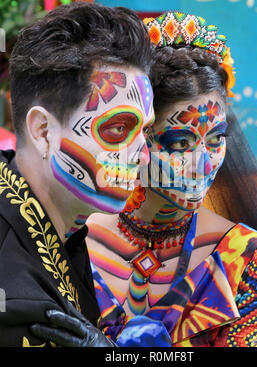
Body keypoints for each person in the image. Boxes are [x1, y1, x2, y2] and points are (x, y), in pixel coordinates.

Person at [31, 11, 257, 347]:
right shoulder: (68, 240)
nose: (202, 164)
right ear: (137, 137)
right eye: (180, 144)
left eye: (216, 139)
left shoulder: (246, 255)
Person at [0, 2, 155, 347]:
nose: (143, 157)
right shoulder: (22, 304)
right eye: (117, 129)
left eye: (145, 131)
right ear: (43, 132)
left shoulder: (58, 221)